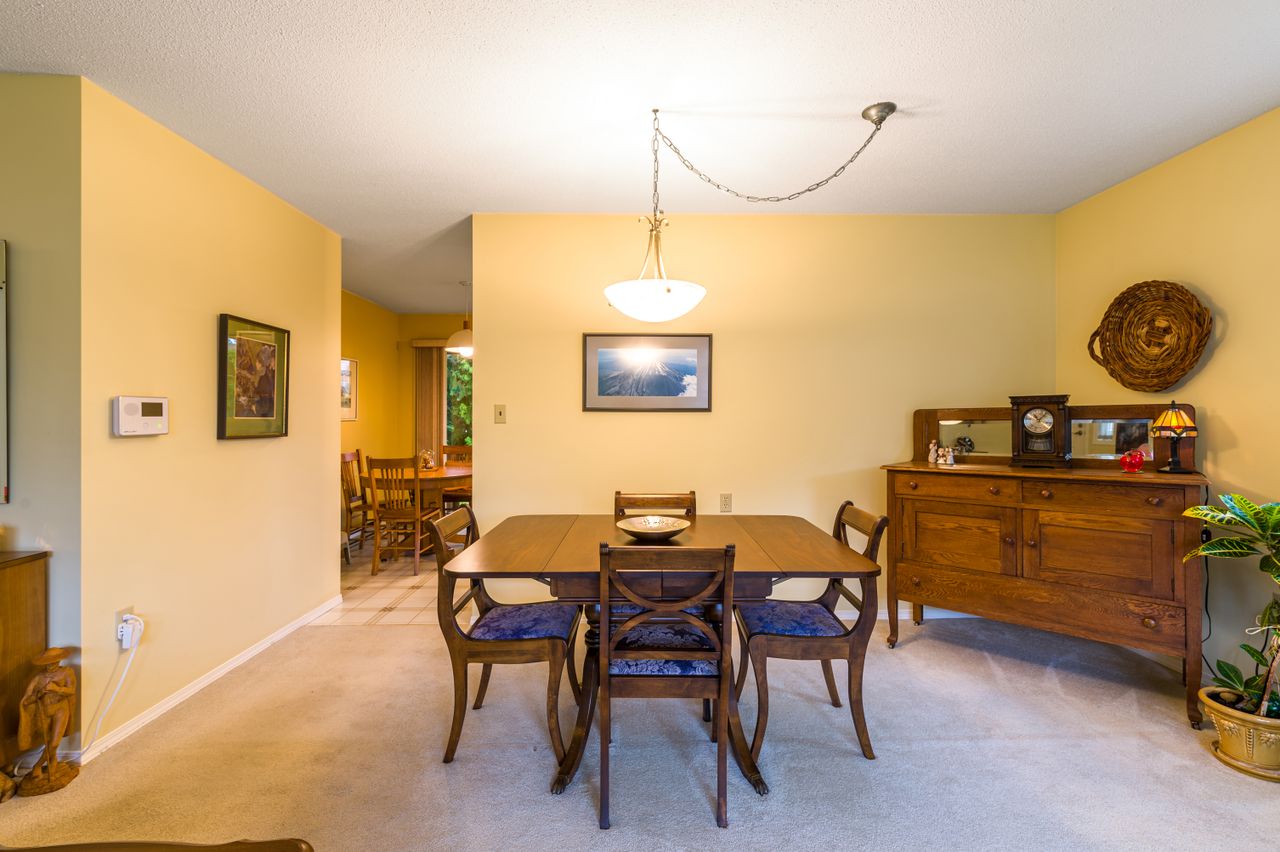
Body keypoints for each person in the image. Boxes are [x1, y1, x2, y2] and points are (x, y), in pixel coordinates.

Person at [17, 647, 79, 795]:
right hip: (44, 712)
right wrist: (37, 695)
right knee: (48, 742)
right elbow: (26, 700)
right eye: (49, 662)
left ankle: (37, 766)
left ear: (59, 660)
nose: (52, 665)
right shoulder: (38, 678)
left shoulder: (67, 672)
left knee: (54, 743)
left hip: (60, 710)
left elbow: (71, 690)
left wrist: (57, 689)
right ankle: (53, 763)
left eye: (54, 662)